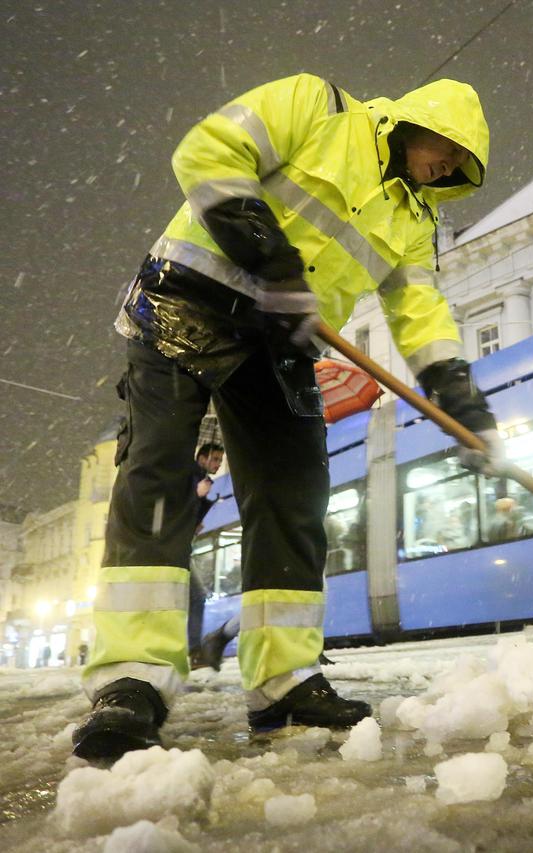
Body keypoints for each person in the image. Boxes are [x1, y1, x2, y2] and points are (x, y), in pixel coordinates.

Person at [74, 73, 502, 762]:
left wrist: (457, 389)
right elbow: (208, 152)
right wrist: (270, 255)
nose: (449, 167)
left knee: (294, 498)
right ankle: (133, 681)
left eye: (461, 165)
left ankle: (284, 683)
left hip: (280, 339)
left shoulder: (415, 221)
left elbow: (419, 309)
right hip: (190, 298)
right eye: (448, 149)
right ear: (415, 122)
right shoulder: (317, 106)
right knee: (157, 478)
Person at [187, 442, 224, 668]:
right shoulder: (192, 476)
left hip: (183, 546)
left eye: (221, 461)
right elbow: (177, 506)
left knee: (196, 596)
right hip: (176, 548)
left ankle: (194, 650)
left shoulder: (201, 478)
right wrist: (196, 496)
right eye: (215, 459)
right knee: (197, 596)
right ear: (202, 457)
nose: (218, 465)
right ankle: (194, 651)